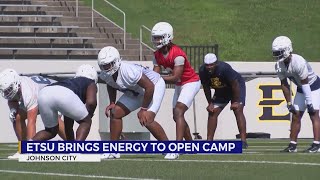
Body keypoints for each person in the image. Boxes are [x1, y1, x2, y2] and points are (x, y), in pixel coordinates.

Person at [98, 46, 175, 159]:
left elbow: (149, 86)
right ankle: (113, 151)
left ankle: (170, 150)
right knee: (115, 112)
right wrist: (112, 102)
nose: (106, 68)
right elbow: (110, 84)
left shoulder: (128, 71)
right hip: (137, 90)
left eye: (108, 64)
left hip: (154, 85)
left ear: (116, 61)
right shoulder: (105, 74)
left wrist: (143, 109)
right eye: (103, 65)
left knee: (147, 119)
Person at [151, 22, 201, 153]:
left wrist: (157, 78)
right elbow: (155, 73)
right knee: (176, 115)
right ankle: (190, 146)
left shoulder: (177, 54)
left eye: (159, 37)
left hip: (190, 81)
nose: (156, 40)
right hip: (180, 83)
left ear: (168, 37)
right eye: (155, 37)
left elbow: (175, 77)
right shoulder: (156, 54)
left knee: (178, 112)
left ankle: (177, 147)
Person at [0, 69, 66, 159]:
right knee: (17, 117)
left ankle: (76, 146)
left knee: (54, 120)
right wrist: (13, 109)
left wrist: (30, 149)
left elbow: (31, 122)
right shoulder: (17, 85)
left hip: (55, 93)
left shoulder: (28, 91)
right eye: (6, 90)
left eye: (9, 89)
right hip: (42, 94)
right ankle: (22, 149)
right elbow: (12, 99)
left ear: (16, 83)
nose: (7, 92)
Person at [272, 36, 320, 153]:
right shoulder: (279, 65)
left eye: (280, 52)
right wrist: (288, 103)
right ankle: (292, 145)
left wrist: (309, 102)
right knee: (296, 115)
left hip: (313, 87)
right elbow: (284, 84)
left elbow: (305, 83)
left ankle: (317, 144)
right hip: (300, 88)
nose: (278, 55)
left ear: (288, 49)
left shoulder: (298, 61)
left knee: (313, 113)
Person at [31, 64, 98, 141]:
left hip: (44, 92)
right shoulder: (90, 82)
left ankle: (24, 148)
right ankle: (77, 150)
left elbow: (68, 127)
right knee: (86, 122)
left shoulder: (72, 83)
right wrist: (89, 115)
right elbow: (91, 102)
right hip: (64, 94)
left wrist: (70, 144)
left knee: (50, 131)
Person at [198, 53, 248, 149]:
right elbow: (206, 88)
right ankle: (209, 141)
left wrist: (235, 101)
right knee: (212, 112)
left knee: (238, 110)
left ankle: (243, 140)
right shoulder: (202, 71)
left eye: (211, 64)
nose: (209, 67)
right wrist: (210, 103)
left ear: (216, 63)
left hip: (236, 88)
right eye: (207, 65)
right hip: (221, 90)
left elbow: (235, 85)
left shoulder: (224, 68)